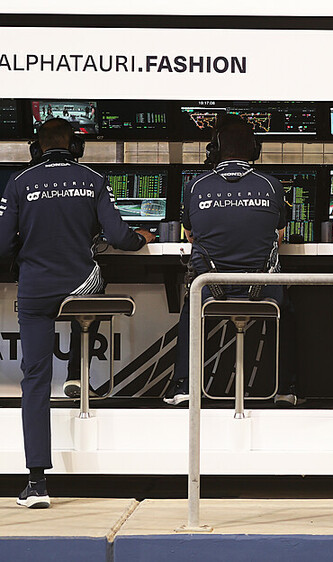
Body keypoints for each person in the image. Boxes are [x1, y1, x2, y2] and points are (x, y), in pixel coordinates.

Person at [0, 118, 154, 508]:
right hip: (79, 286)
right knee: (97, 280)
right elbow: (119, 237)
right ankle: (77, 373)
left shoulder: (19, 182)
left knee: (34, 381)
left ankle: (36, 483)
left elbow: (1, 244)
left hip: (35, 291)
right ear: (76, 148)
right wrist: (141, 238)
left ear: (36, 149)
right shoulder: (93, 179)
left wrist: (23, 249)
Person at [164, 115, 303, 407]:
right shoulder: (272, 185)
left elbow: (190, 235)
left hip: (210, 290)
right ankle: (285, 389)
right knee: (287, 308)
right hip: (262, 290)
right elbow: (278, 237)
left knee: (191, 305)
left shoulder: (195, 186)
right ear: (254, 149)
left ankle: (184, 386)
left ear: (214, 149)